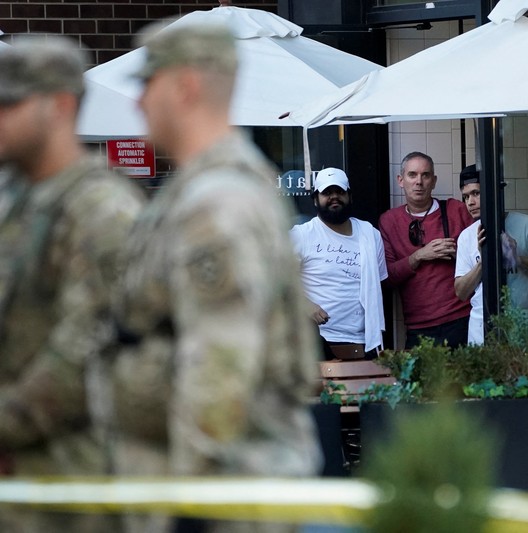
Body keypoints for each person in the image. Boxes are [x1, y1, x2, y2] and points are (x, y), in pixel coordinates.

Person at [104, 22, 322, 533]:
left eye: (147, 84)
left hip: (223, 498)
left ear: (185, 86)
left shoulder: (217, 203)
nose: (138, 103)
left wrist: (192, 505)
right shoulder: (205, 189)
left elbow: (220, 368)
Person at [0, 36, 144, 531]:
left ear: (59, 106)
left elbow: (86, 350)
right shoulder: (14, 200)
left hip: (70, 485)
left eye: (8, 103)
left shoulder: (102, 209)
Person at [454, 165, 528, 345]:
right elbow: (461, 292)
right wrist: (483, 261)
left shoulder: (527, 225)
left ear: (492, 193)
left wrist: (518, 259)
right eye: (465, 197)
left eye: (476, 193)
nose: (470, 202)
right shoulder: (466, 236)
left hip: (521, 321)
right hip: (481, 324)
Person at [290, 167, 387, 360]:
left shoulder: (370, 234)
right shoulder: (301, 235)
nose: (334, 197)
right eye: (327, 192)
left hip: (366, 341)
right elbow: (273, 280)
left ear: (350, 196)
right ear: (315, 199)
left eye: (340, 191)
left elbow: (378, 284)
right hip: (317, 341)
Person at [379, 151, 474, 349]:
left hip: (462, 318)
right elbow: (387, 277)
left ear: (434, 181)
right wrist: (418, 256)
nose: (419, 182)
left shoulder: (456, 210)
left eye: (425, 175)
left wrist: (459, 254)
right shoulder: (389, 220)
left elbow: (484, 257)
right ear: (400, 180)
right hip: (418, 326)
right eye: (412, 175)